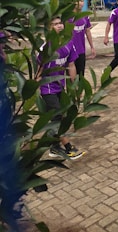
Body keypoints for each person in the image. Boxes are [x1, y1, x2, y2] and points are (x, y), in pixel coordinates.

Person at [37, 17, 85, 160]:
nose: (59, 26)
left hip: (60, 88)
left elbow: (71, 65)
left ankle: (54, 147)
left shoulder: (69, 44)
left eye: (60, 23)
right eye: (55, 24)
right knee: (58, 117)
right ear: (49, 28)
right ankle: (68, 147)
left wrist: (74, 85)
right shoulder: (46, 48)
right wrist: (35, 84)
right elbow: (39, 69)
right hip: (47, 88)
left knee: (54, 119)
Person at [69, 0, 96, 77]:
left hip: (81, 51)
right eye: (78, 1)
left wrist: (92, 47)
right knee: (71, 76)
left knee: (81, 75)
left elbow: (87, 31)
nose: (80, 3)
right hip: (70, 51)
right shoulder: (68, 18)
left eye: (82, 1)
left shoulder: (85, 16)